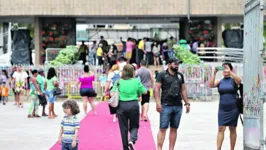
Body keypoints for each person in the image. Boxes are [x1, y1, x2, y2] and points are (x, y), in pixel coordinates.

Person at [155, 58, 190, 150]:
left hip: (178, 105)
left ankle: (171, 148)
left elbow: (183, 89)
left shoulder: (180, 76)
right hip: (166, 105)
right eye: (175, 64)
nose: (177, 65)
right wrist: (158, 103)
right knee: (163, 128)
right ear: (169, 64)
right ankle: (159, 148)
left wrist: (187, 103)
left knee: (174, 128)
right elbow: (157, 89)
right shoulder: (162, 75)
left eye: (178, 64)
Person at [110, 64, 147, 150]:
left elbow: (112, 93)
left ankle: (125, 148)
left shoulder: (119, 81)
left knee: (123, 129)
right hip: (133, 105)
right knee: (134, 125)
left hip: (121, 106)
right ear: (132, 72)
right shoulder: (136, 81)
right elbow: (145, 92)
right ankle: (132, 140)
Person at [209, 62, 241, 150]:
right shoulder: (220, 81)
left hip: (233, 108)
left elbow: (239, 81)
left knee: (232, 128)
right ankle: (218, 148)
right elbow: (211, 85)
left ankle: (232, 149)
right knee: (220, 128)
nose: (225, 70)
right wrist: (214, 73)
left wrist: (230, 72)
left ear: (230, 69)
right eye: (223, 69)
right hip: (222, 108)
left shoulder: (233, 80)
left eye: (226, 68)